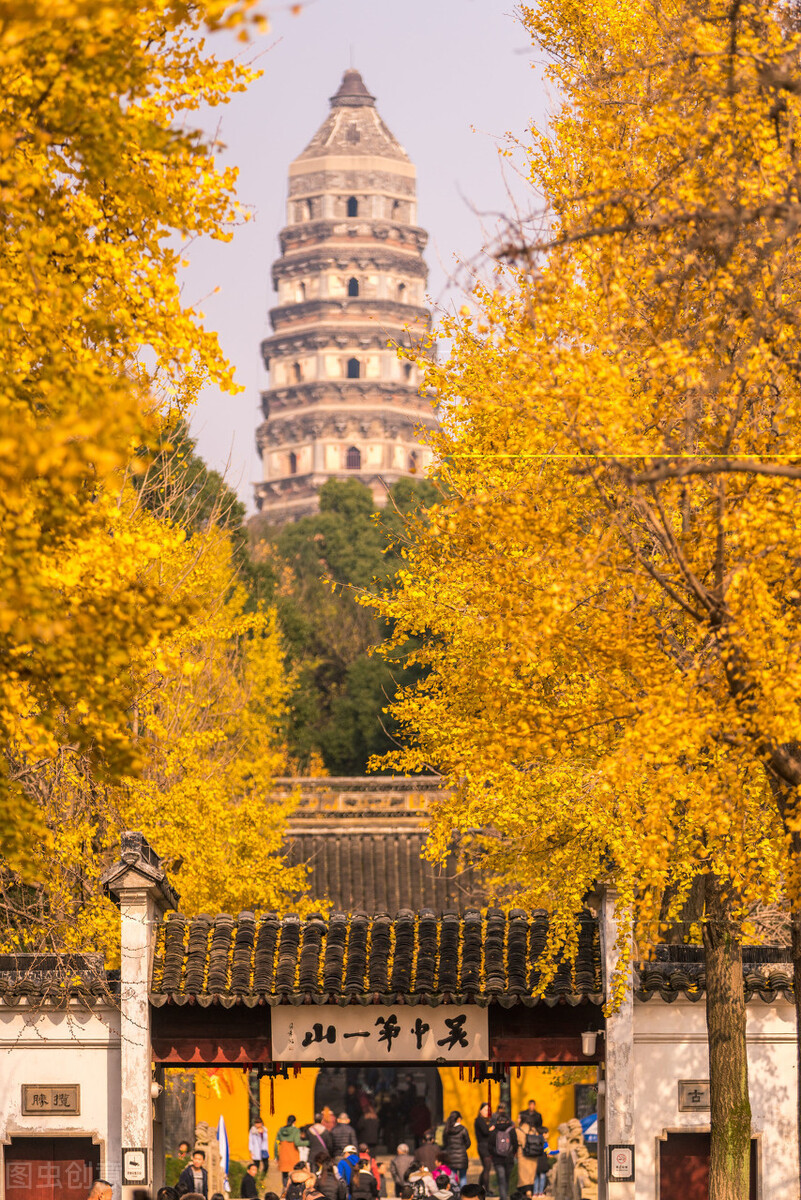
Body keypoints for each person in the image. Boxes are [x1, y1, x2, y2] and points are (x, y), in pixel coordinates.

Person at [488, 1111, 518, 1200]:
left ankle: (503, 1197)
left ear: (497, 1121)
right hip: (509, 1158)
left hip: (497, 1159)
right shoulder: (511, 1130)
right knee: (506, 1178)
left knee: (501, 1179)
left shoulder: (494, 1131)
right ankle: (504, 1195)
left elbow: (490, 1146)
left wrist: (494, 1154)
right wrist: (512, 1153)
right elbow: (515, 1144)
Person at [441, 1113, 471, 1188]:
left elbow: (445, 1143)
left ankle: (454, 1192)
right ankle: (463, 1193)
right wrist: (462, 1149)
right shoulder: (463, 1129)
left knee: (452, 1178)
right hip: (462, 1157)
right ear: (458, 1119)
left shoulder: (447, 1129)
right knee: (463, 1177)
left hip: (451, 1157)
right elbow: (468, 1143)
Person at [515, 1121, 541, 1197]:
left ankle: (525, 1192)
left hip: (522, 1153)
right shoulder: (534, 1130)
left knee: (523, 1175)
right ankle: (530, 1191)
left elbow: (515, 1142)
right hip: (534, 1153)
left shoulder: (518, 1130)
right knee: (531, 1174)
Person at [276, 1116, 303, 1185]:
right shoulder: (296, 1130)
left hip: (283, 1153)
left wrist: (276, 1155)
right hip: (293, 1154)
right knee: (295, 1173)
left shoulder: (281, 1130)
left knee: (284, 1174)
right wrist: (308, 1143)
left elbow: (276, 1143)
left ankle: (285, 1187)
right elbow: (297, 1143)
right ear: (294, 1122)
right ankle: (292, 1188)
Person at [474, 1103, 493, 1196]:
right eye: (485, 1110)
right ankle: (486, 1190)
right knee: (487, 1167)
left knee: (486, 1167)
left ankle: (480, 1188)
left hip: (486, 1146)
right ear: (480, 1110)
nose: (487, 1112)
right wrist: (491, 1129)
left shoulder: (485, 1121)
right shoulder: (479, 1120)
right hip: (483, 1147)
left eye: (488, 1110)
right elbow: (485, 1132)